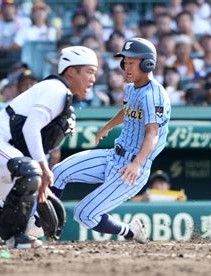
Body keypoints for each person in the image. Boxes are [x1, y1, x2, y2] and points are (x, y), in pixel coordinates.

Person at [0, 46, 98, 249]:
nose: (93, 79)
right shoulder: (57, 89)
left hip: (6, 153)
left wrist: (40, 176)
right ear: (72, 71)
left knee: (24, 212)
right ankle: (14, 238)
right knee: (31, 173)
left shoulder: (62, 96)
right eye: (89, 71)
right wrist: (44, 169)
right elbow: (31, 127)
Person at [51, 38, 171, 244]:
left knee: (84, 214)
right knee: (58, 172)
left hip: (132, 169)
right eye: (125, 61)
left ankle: (130, 232)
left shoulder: (155, 94)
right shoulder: (133, 87)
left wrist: (136, 164)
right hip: (113, 156)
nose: (126, 66)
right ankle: (37, 223)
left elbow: (153, 134)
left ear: (147, 63)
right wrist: (109, 125)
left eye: (132, 62)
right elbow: (128, 110)